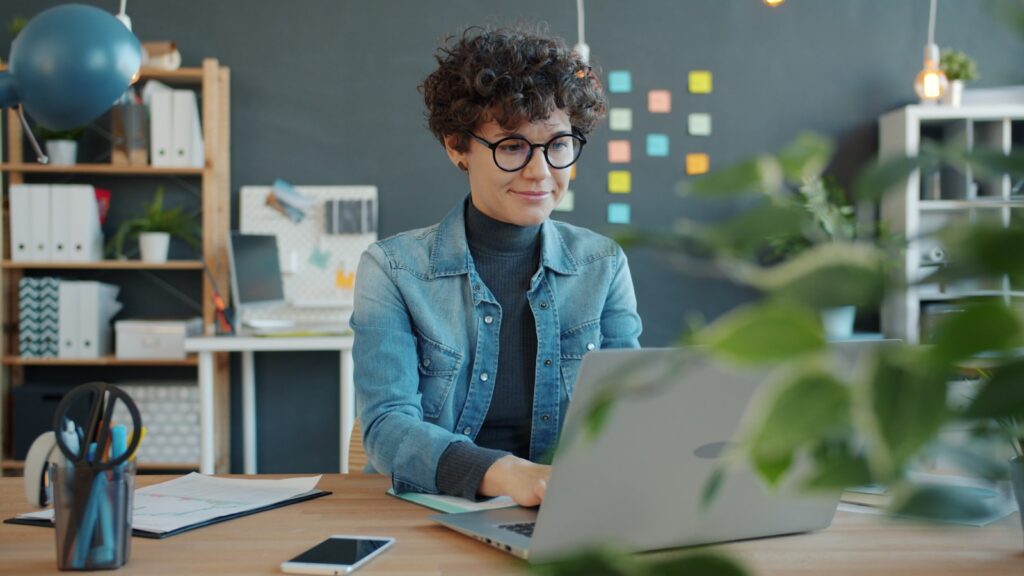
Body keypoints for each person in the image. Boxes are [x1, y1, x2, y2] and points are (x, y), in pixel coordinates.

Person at [351, 24, 642, 507]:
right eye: (511, 147)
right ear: (456, 146)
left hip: (565, 506)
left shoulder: (603, 265)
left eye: (558, 145)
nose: (540, 171)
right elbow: (386, 427)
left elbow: (626, 412)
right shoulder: (393, 269)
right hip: (430, 507)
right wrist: (510, 476)